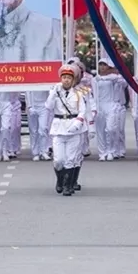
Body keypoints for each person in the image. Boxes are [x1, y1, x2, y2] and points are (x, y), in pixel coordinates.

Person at [45, 64, 88, 196]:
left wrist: (78, 123)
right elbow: (48, 107)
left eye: (69, 78)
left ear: (73, 80)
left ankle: (67, 186)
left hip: (73, 127)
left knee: (70, 159)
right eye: (64, 77)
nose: (66, 80)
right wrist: (53, 94)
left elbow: (82, 111)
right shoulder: (55, 92)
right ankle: (59, 180)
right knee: (58, 160)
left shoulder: (79, 94)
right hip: (59, 128)